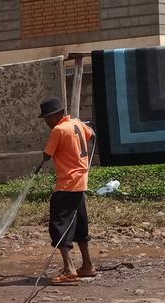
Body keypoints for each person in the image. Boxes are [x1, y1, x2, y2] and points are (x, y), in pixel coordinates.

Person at [39, 97, 96, 284]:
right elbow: (92, 134)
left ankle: (69, 268)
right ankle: (87, 265)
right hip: (80, 183)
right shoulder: (77, 123)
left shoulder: (59, 130)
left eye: (48, 118)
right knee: (79, 223)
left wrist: (47, 155)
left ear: (57, 115)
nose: (47, 122)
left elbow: (47, 154)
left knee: (59, 225)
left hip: (67, 184)